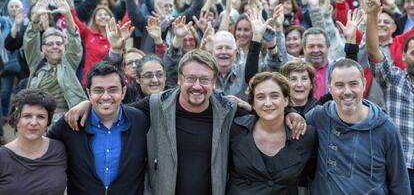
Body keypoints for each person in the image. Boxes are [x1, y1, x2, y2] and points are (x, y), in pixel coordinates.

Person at [65, 49, 306, 195]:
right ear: (179, 79)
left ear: (214, 82)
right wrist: (88, 103)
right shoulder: (156, 105)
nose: (197, 86)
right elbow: (117, 109)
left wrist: (291, 112)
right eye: (191, 78)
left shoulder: (228, 110)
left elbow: (266, 113)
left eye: (205, 80)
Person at [306, 58, 410, 194]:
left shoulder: (386, 128)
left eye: (353, 84)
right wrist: (292, 115)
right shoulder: (320, 116)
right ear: (329, 88)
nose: (347, 91)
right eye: (339, 85)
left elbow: (400, 184)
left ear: (364, 84)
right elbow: (288, 125)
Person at [47, 61, 149, 194]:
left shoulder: (140, 120)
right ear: (88, 93)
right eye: (98, 90)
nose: (106, 96)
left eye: (113, 90)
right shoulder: (71, 122)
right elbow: (43, 148)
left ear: (123, 91)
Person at [227, 71, 316, 194]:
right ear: (252, 103)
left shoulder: (305, 135)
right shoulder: (236, 129)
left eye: (274, 96)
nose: (268, 103)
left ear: (286, 100)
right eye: (260, 97)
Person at [365, 0, 414, 194]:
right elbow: (374, 50)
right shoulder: (393, 79)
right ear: (403, 57)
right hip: (400, 168)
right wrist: (373, 15)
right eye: (413, 52)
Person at [24, 0, 87, 123]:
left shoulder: (69, 61)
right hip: (40, 118)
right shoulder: (36, 62)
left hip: (68, 118)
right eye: (50, 44)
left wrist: (68, 15)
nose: (55, 47)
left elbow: (74, 38)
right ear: (42, 48)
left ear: (64, 47)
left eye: (59, 43)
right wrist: (36, 16)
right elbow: (30, 39)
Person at [0, 88, 66, 194]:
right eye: (27, 116)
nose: (34, 122)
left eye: (41, 117)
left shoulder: (59, 150)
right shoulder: (2, 157)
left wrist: (85, 104)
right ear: (15, 119)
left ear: (48, 122)